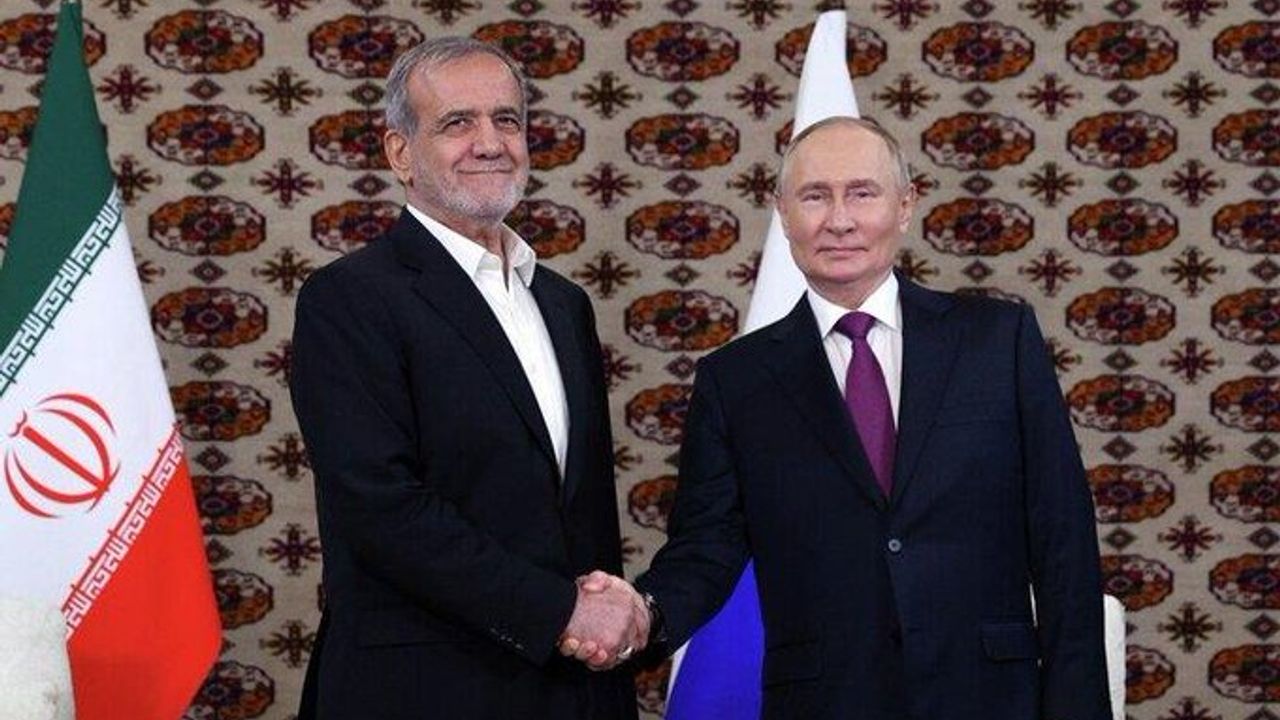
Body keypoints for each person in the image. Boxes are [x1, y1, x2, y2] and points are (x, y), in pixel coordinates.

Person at [565, 117, 1112, 720]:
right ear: (783, 212)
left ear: (905, 206)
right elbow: (706, 548)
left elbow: (1064, 543)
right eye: (815, 196)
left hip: (991, 699)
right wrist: (643, 614)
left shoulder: (998, 342)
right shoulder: (735, 380)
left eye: (862, 193)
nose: (840, 220)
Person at [290, 37, 647, 719]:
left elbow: (583, 518)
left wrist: (605, 641)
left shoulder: (564, 304)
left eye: (506, 119)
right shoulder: (350, 299)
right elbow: (381, 508)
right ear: (400, 153)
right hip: (422, 693)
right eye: (458, 122)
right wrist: (560, 612)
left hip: (573, 692)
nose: (490, 143)